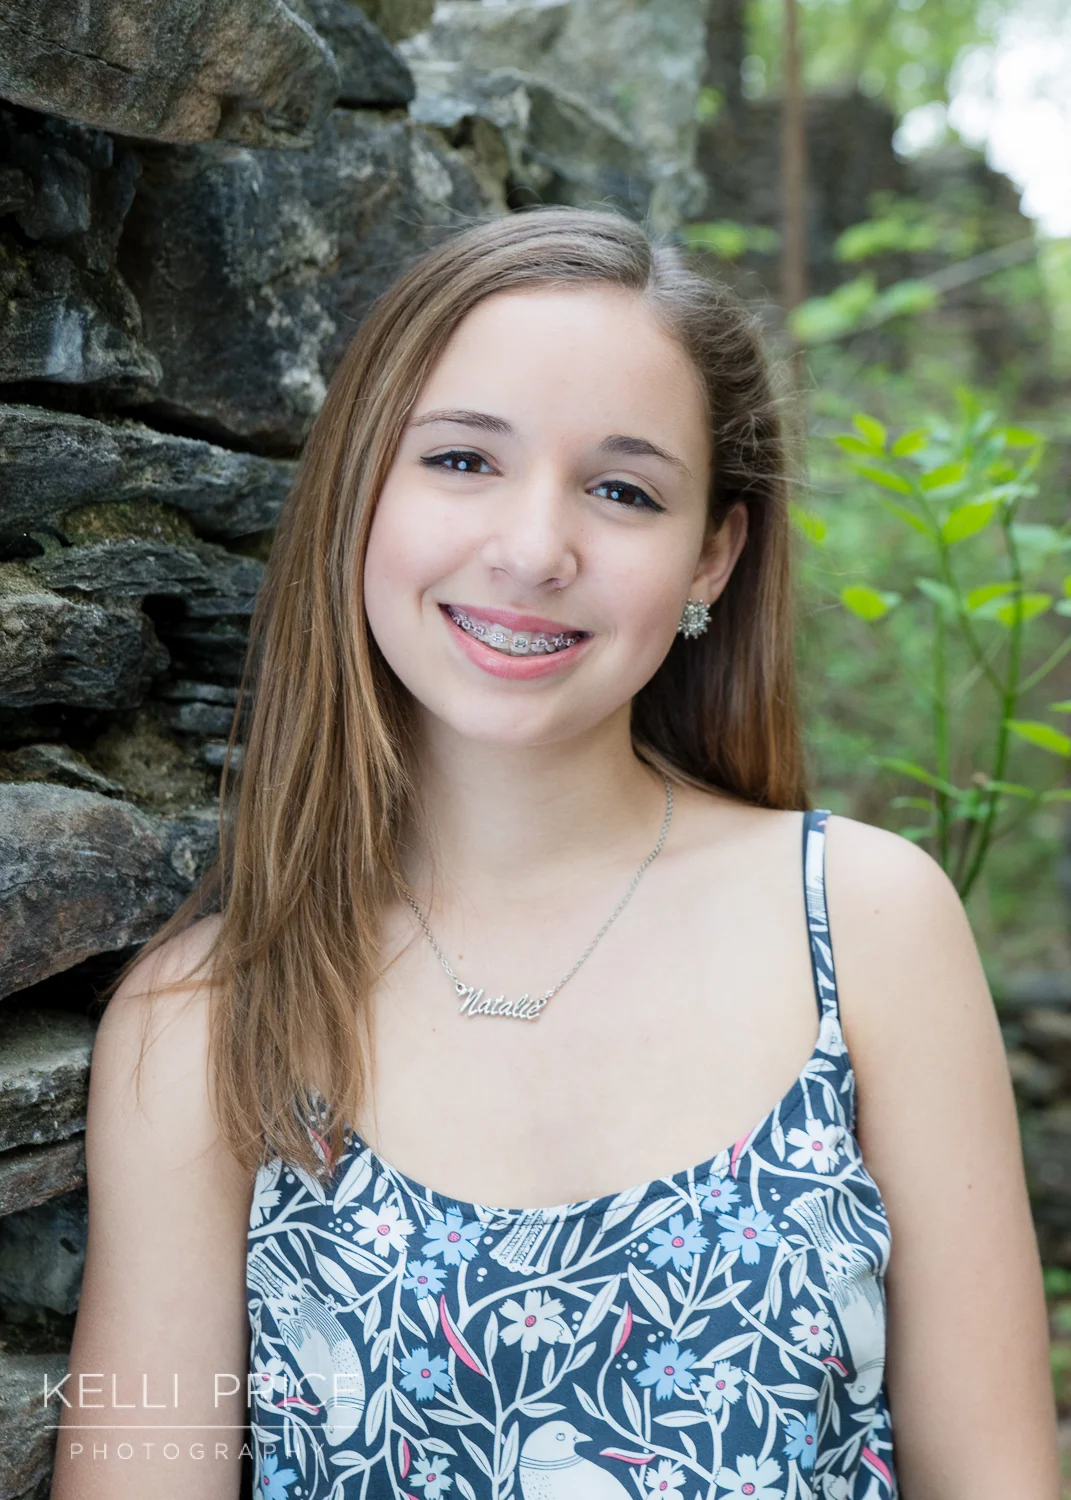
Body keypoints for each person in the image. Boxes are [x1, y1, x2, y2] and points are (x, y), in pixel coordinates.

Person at [52, 207, 1057, 1500]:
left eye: (622, 489)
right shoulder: (205, 1019)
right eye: (463, 460)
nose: (533, 550)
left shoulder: (862, 927)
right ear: (358, 484)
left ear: (711, 556)